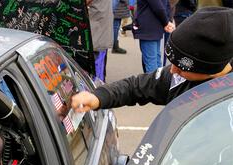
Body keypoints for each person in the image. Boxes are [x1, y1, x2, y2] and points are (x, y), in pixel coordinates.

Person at [71, 7, 233, 113]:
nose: (172, 70)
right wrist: (98, 97)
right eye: (172, 62)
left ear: (210, 69)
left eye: (181, 68)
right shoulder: (176, 79)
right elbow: (136, 86)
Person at [133, 0, 175, 73]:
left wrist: (166, 22)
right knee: (156, 61)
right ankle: (159, 83)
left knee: (152, 63)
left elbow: (159, 7)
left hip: (149, 28)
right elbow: (166, 6)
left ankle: (154, 84)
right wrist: (167, 21)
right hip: (156, 27)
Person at [87, 0, 114, 82]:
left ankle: (97, 89)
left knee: (96, 69)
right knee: (98, 66)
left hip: (96, 30)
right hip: (99, 28)